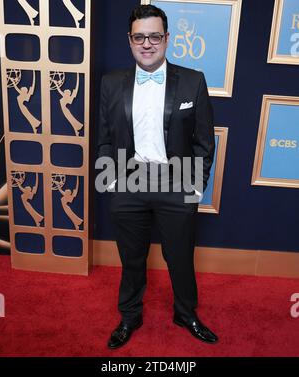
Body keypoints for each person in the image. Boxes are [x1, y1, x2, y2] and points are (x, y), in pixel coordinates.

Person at [97, 4, 217, 349]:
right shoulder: (111, 83)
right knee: (131, 258)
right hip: (128, 183)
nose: (147, 43)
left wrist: (194, 185)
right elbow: (104, 137)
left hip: (176, 181)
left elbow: (204, 141)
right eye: (139, 37)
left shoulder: (193, 81)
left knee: (179, 257)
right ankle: (130, 316)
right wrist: (112, 182)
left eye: (154, 36)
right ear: (130, 40)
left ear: (166, 38)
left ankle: (186, 313)